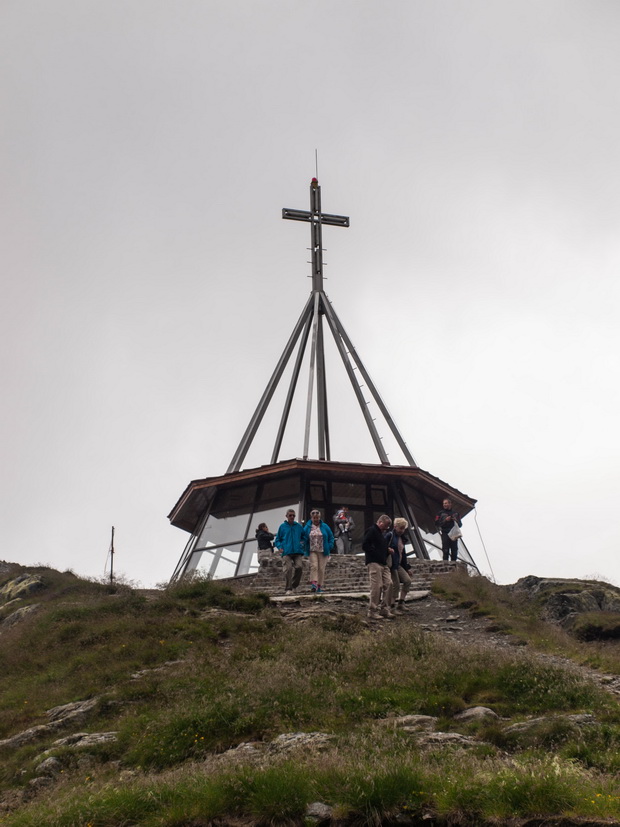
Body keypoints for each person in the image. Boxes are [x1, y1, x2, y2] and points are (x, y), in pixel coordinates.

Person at [362, 514, 395, 619]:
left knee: (389, 583)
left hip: (383, 563)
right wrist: (375, 553)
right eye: (385, 526)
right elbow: (365, 545)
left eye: (388, 526)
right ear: (380, 522)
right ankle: (372, 610)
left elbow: (380, 547)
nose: (386, 528)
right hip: (374, 562)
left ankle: (385, 609)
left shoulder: (381, 534)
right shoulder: (371, 531)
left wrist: (387, 551)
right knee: (377, 586)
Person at [303, 509, 335, 593]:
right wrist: (303, 545)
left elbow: (331, 537)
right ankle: (314, 584)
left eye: (317, 518)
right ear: (311, 518)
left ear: (319, 517)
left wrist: (330, 546)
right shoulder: (307, 526)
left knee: (321, 568)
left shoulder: (325, 526)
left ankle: (319, 586)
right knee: (314, 566)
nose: (316, 519)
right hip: (312, 550)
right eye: (314, 518)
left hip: (323, 550)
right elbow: (303, 537)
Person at [274, 509, 306, 594]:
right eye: (290, 515)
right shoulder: (282, 527)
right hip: (286, 552)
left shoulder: (299, 526)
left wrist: (301, 544)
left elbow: (304, 537)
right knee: (288, 569)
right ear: (286, 516)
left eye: (293, 515)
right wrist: (280, 547)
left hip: (297, 551)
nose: (292, 517)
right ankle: (288, 588)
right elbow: (277, 540)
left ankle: (294, 585)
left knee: (299, 567)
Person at [387, 517, 413, 612]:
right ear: (395, 527)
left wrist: (406, 568)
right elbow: (383, 547)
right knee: (396, 585)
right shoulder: (390, 536)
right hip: (392, 564)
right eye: (400, 528)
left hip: (398, 564)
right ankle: (391, 606)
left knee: (407, 581)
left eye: (403, 528)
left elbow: (403, 554)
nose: (402, 530)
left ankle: (401, 603)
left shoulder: (402, 539)